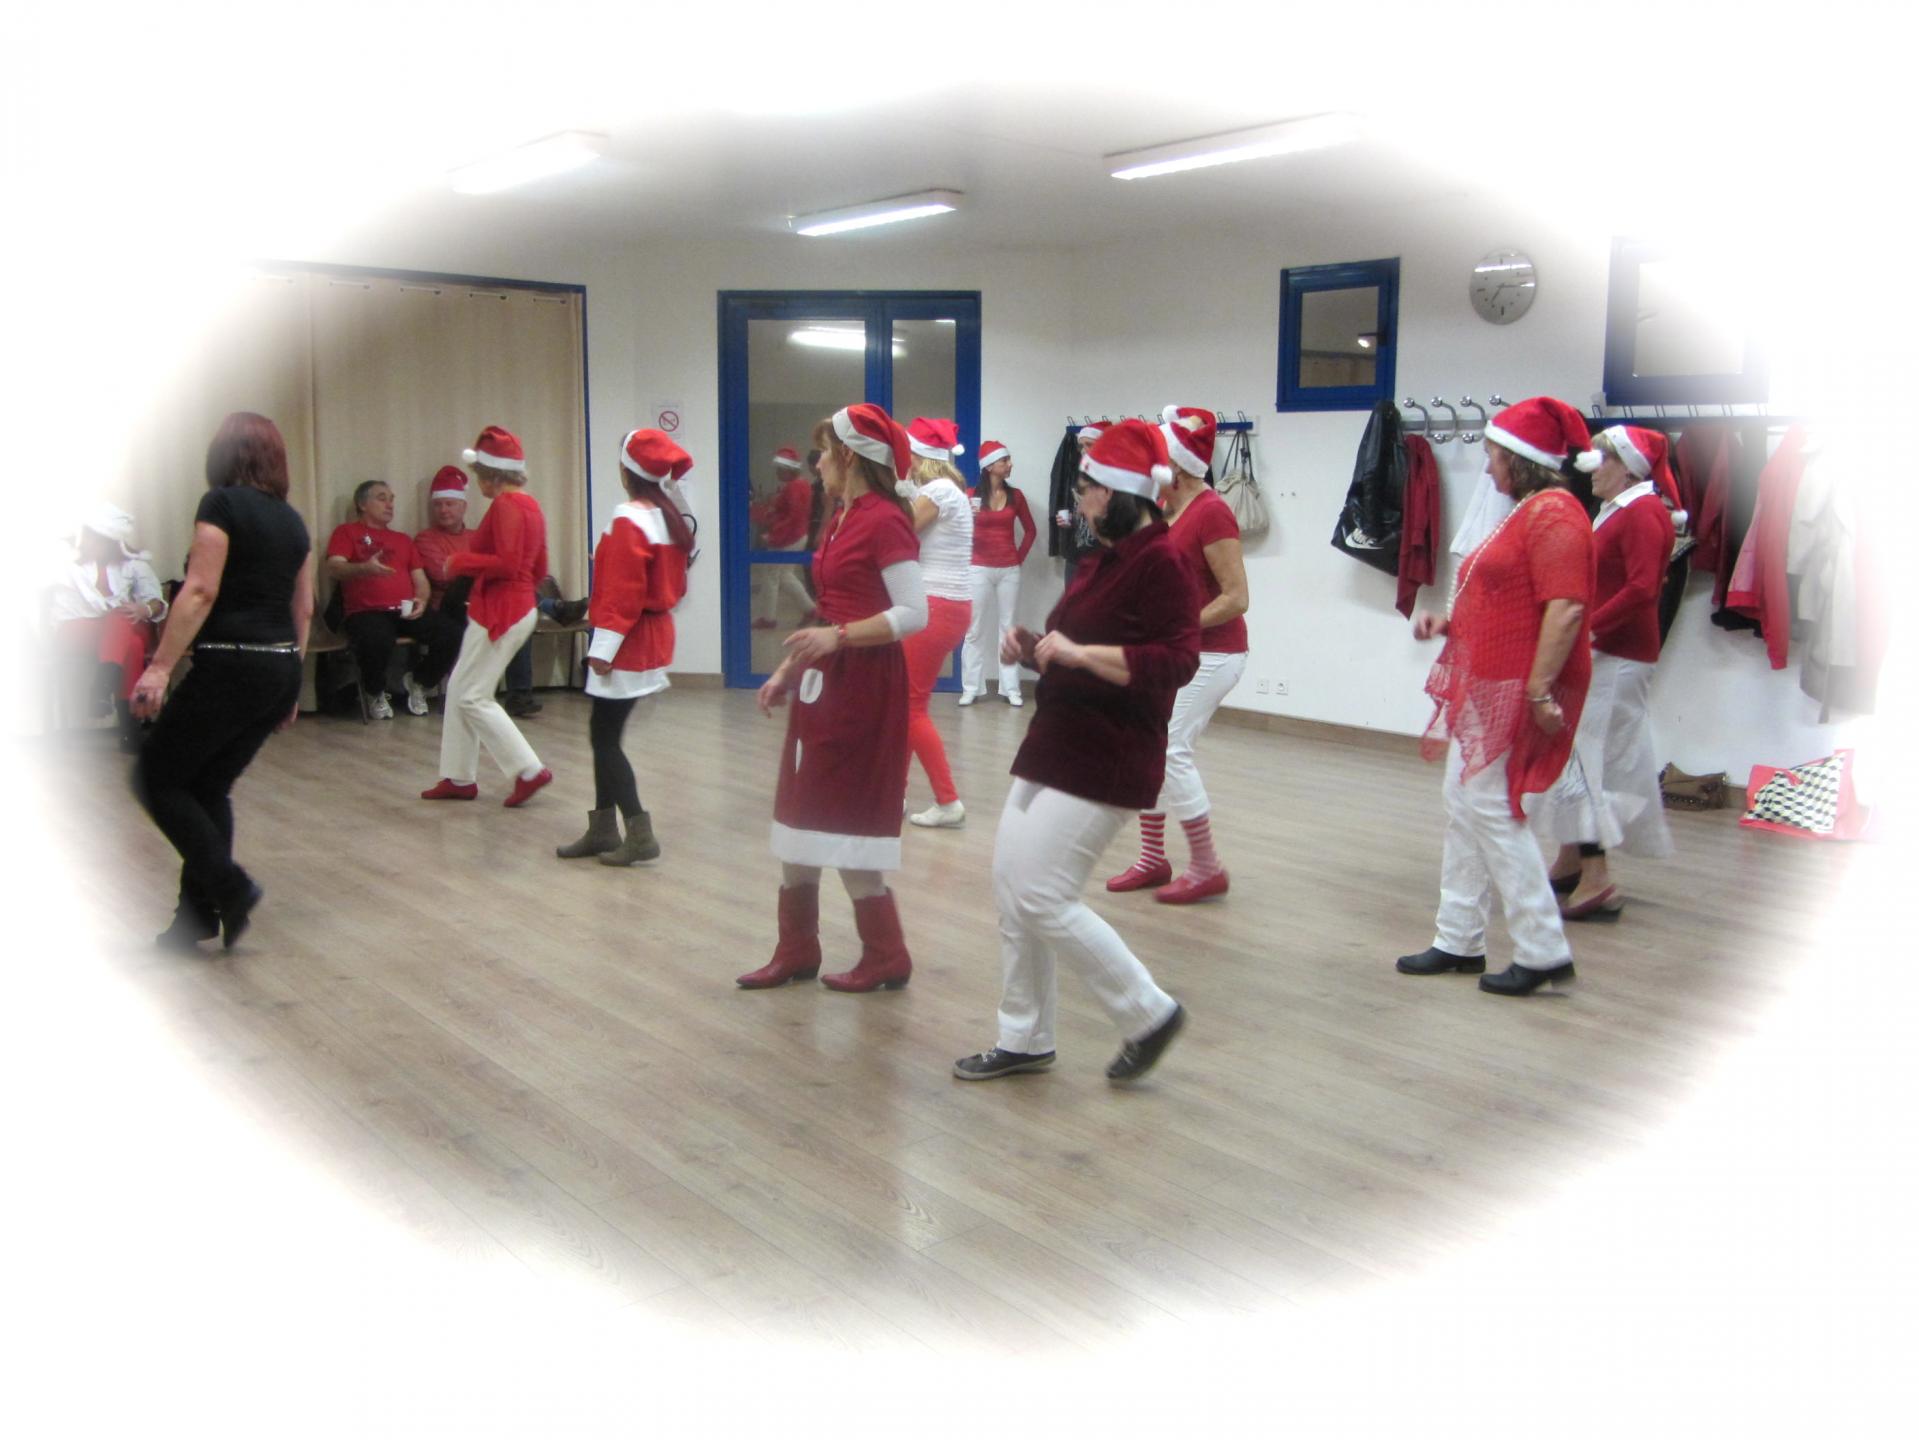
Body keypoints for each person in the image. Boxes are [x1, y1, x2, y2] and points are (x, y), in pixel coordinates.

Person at [953, 418, 1198, 1083]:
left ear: (1116, 493)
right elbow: (1073, 648)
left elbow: (1176, 662)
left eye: (1087, 491)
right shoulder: (1101, 562)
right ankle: (1024, 1037)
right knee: (1012, 889)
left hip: (1108, 753)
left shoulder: (1162, 561)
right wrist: (1034, 648)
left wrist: (1080, 653)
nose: (1080, 504)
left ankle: (1148, 1012)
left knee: (1040, 893)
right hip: (1056, 742)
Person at [1398, 397, 1596, 997]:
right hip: (1490, 682)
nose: (1487, 467)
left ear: (1521, 458)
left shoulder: (1555, 514)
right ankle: (1459, 939)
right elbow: (1507, 600)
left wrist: (1538, 688)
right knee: (1463, 802)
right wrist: (1451, 625)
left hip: (1515, 688)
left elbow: (1566, 608)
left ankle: (1543, 949)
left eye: (1492, 455)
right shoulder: (1528, 512)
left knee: (1489, 807)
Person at [736, 402, 927, 994]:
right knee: (801, 810)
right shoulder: (841, 517)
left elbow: (913, 613)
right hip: (826, 683)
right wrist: (787, 670)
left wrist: (837, 638)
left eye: (823, 453)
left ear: (849, 456)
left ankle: (886, 954)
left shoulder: (885, 520)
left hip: (864, 687)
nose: (815, 464)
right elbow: (829, 610)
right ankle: (797, 949)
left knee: (844, 817)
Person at [130, 412, 314, 951]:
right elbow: (303, 607)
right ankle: (196, 917)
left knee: (156, 777)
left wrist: (161, 666)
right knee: (209, 786)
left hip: (232, 664)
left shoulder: (222, 505)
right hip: (278, 665)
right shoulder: (292, 521)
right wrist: (292, 679)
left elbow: (200, 590)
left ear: (222, 455)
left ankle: (230, 887)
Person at [1532, 425, 1680, 918]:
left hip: (1618, 655)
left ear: (1628, 467)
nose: (1592, 468)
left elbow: (1642, 588)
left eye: (1604, 458)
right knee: (1578, 756)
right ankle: (1571, 859)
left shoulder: (1644, 512)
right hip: (1605, 651)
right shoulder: (1616, 511)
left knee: (1589, 761)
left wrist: (1586, 626)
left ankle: (1596, 878)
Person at [1107, 406, 1249, 903]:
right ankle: (1152, 859)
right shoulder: (1167, 509)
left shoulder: (1212, 512)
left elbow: (1237, 598)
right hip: (1173, 651)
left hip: (1215, 654)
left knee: (1170, 751)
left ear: (1179, 464)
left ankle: (1207, 867)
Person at [557, 428, 695, 867]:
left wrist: (603, 648)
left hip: (628, 641)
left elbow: (622, 593)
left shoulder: (629, 517)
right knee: (605, 734)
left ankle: (638, 832)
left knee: (604, 739)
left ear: (625, 470)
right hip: (651, 636)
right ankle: (603, 829)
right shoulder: (672, 516)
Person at [421, 425, 553, 807]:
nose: (477, 481)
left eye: (479, 473)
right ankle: (458, 776)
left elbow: (508, 563)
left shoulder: (506, 505)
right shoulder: (531, 506)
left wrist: (461, 561)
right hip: (512, 606)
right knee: (461, 688)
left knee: (473, 695)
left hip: (501, 609)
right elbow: (539, 566)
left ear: (491, 474)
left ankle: (528, 769)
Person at [899, 417, 975, 828]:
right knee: (907, 706)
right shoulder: (948, 490)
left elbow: (899, 534)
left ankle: (948, 801)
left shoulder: (939, 491)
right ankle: (895, 795)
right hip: (947, 605)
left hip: (935, 605)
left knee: (909, 707)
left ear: (918, 456)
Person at [325, 480, 457, 718]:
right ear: (362, 504)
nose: (389, 504)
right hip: (365, 611)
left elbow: (420, 580)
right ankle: (374, 692)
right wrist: (364, 568)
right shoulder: (346, 532)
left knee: (451, 633)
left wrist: (421, 600)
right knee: (376, 638)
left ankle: (419, 682)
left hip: (404, 610)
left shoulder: (403, 539)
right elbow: (334, 567)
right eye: (382, 498)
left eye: (391, 499)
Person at [47, 502, 169, 749]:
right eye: (89, 536)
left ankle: (102, 688)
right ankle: (130, 729)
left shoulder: (134, 565)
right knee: (130, 640)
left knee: (128, 633)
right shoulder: (66, 562)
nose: (92, 543)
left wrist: (144, 609)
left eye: (99, 539)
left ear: (113, 541)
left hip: (120, 630)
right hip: (79, 631)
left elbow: (157, 602)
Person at [959, 438, 1036, 708]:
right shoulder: (971, 496)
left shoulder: (1017, 496)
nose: (1010, 464)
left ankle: (1010, 689)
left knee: (1008, 629)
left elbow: (1031, 531)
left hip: (1008, 570)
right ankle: (971, 688)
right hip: (978, 568)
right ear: (990, 466)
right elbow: (960, 531)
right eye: (1005, 460)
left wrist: (1018, 559)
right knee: (974, 629)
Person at [749, 446, 817, 630]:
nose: (777, 473)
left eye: (780, 469)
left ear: (788, 470)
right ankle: (810, 609)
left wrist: (772, 536)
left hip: (788, 538)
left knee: (771, 576)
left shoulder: (794, 488)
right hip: (797, 536)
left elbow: (792, 518)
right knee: (785, 575)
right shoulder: (801, 485)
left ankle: (768, 618)